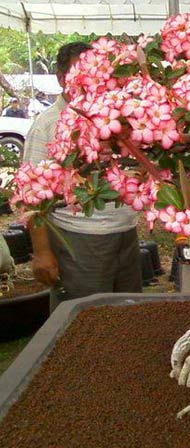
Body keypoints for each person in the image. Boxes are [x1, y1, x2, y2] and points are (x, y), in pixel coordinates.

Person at [23, 42, 142, 312]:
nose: (88, 78)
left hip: (124, 231)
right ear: (60, 76)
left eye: (94, 70)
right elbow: (31, 195)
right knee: (83, 318)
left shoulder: (114, 115)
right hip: (79, 238)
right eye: (80, 70)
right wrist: (42, 251)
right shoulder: (48, 124)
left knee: (129, 313)